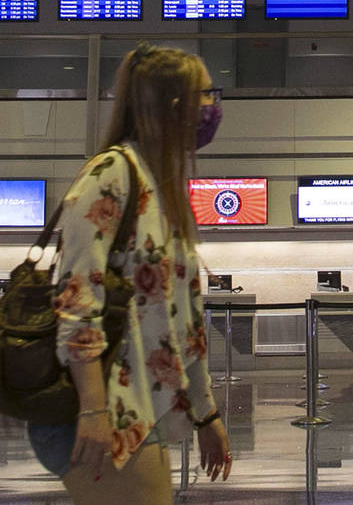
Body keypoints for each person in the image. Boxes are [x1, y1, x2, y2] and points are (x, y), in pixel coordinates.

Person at [27, 44, 232, 502]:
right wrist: (94, 412)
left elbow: (186, 324)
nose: (212, 107)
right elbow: (78, 303)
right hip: (99, 414)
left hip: (143, 409)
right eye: (205, 94)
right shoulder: (111, 176)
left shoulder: (162, 188)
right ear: (173, 104)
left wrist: (206, 415)